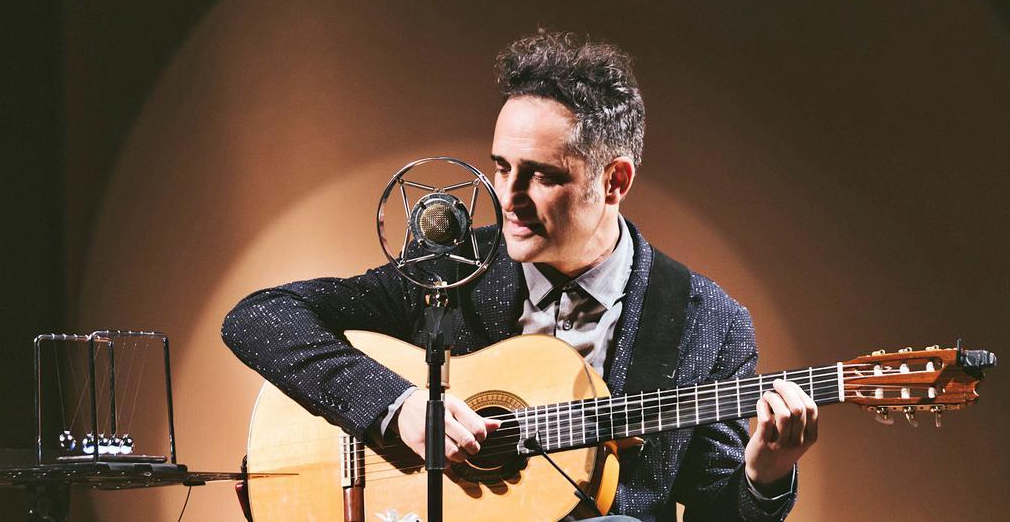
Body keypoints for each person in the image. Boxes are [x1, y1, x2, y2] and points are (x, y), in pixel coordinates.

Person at [223, 29, 817, 521]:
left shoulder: (707, 321)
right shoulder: (454, 268)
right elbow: (257, 318)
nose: (508, 198)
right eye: (501, 167)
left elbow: (719, 510)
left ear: (614, 182)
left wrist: (765, 478)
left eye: (541, 175)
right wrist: (398, 406)